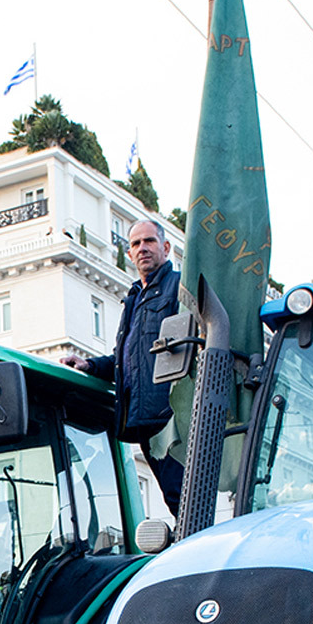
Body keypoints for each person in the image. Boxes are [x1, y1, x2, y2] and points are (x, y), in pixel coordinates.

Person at [61, 219, 184, 511]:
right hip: (142, 418)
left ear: (165, 247)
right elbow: (124, 361)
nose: (142, 249)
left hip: (171, 416)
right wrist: (89, 365)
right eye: (135, 244)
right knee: (174, 499)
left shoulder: (178, 287)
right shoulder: (132, 299)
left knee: (183, 495)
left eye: (149, 241)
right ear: (129, 254)